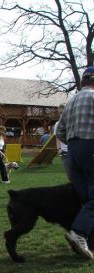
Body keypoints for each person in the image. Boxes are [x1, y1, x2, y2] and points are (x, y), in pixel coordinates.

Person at [56, 66, 94, 259]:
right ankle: (78, 233)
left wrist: (73, 143)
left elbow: (58, 131)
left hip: (73, 150)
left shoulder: (71, 101)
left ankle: (88, 242)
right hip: (91, 147)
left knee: (87, 197)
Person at [53, 103, 72, 181]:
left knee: (77, 174)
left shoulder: (72, 122)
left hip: (74, 150)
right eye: (60, 113)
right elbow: (57, 137)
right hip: (64, 152)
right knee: (69, 175)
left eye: (63, 112)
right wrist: (58, 148)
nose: (61, 115)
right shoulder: (57, 124)